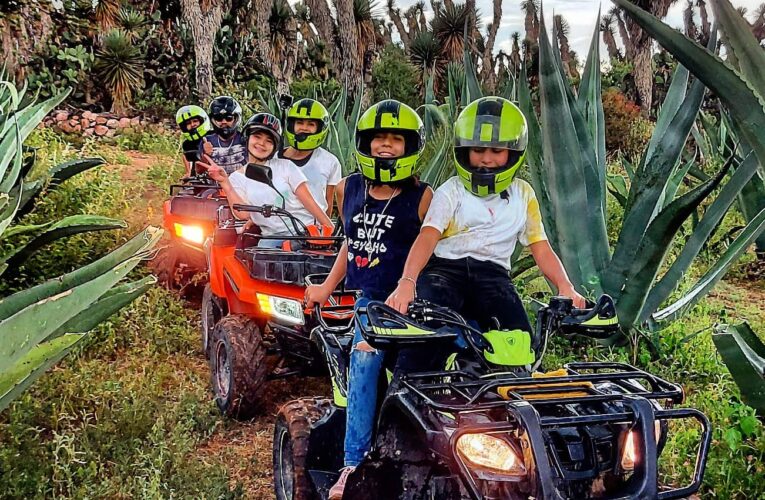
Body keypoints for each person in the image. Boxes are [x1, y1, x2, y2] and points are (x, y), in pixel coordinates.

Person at [303, 99, 433, 500]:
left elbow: (435, 248)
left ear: (410, 146)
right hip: (370, 301)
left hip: (414, 301)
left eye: (396, 139)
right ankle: (352, 465)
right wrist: (326, 287)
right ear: (365, 142)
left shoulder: (423, 196)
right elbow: (352, 243)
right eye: (379, 138)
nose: (386, 146)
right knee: (363, 361)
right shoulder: (350, 188)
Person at [386, 96, 585, 346]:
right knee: (425, 340)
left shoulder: (523, 195)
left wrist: (565, 286)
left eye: (497, 151)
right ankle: (403, 383)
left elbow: (541, 247)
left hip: (494, 278)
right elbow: (427, 237)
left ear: (513, 152)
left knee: (522, 345)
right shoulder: (452, 191)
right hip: (444, 273)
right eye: (478, 150)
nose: (486, 159)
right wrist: (407, 282)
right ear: (464, 150)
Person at [200, 112, 333, 248]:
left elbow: (309, 201)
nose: (262, 144)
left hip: (304, 233)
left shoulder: (285, 166)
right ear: (247, 138)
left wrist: (331, 230)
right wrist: (225, 183)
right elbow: (243, 213)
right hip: (273, 238)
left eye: (269, 141)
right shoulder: (237, 178)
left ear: (274, 146)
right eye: (257, 137)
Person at [279, 98, 342, 222]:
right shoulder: (275, 159)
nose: (304, 128)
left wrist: (324, 230)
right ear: (292, 125)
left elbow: (328, 202)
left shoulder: (330, 162)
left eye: (311, 124)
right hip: (277, 229)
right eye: (300, 123)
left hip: (313, 231)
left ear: (320, 128)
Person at [200, 96, 248, 174]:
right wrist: (205, 155)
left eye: (229, 118)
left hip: (241, 184)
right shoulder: (207, 140)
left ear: (236, 119)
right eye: (218, 118)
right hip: (214, 185)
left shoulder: (245, 139)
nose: (224, 122)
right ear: (213, 120)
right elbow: (199, 171)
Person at [175, 104, 210, 176]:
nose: (192, 124)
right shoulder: (187, 144)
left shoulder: (212, 137)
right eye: (188, 123)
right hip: (201, 177)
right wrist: (188, 174)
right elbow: (189, 169)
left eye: (195, 121)